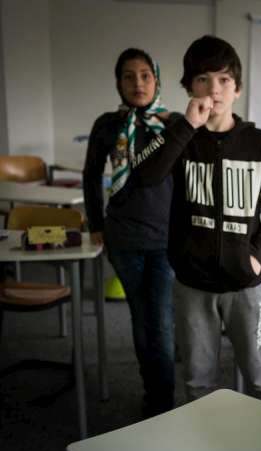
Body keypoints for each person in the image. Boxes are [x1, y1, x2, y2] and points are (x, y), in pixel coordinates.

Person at [134, 35, 261, 402]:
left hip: (248, 286)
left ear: (237, 88)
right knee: (196, 380)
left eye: (223, 80)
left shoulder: (260, 143)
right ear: (190, 86)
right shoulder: (180, 137)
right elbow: (145, 176)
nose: (214, 89)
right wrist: (185, 127)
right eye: (203, 79)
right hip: (193, 284)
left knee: (259, 378)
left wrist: (256, 255)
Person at [82, 48, 179, 418]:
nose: (138, 83)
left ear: (156, 79)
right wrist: (95, 224)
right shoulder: (108, 124)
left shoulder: (172, 124)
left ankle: (165, 402)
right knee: (141, 319)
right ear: (119, 82)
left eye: (145, 75)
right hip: (123, 238)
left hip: (165, 239)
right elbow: (91, 174)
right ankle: (152, 394)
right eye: (128, 76)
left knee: (162, 320)